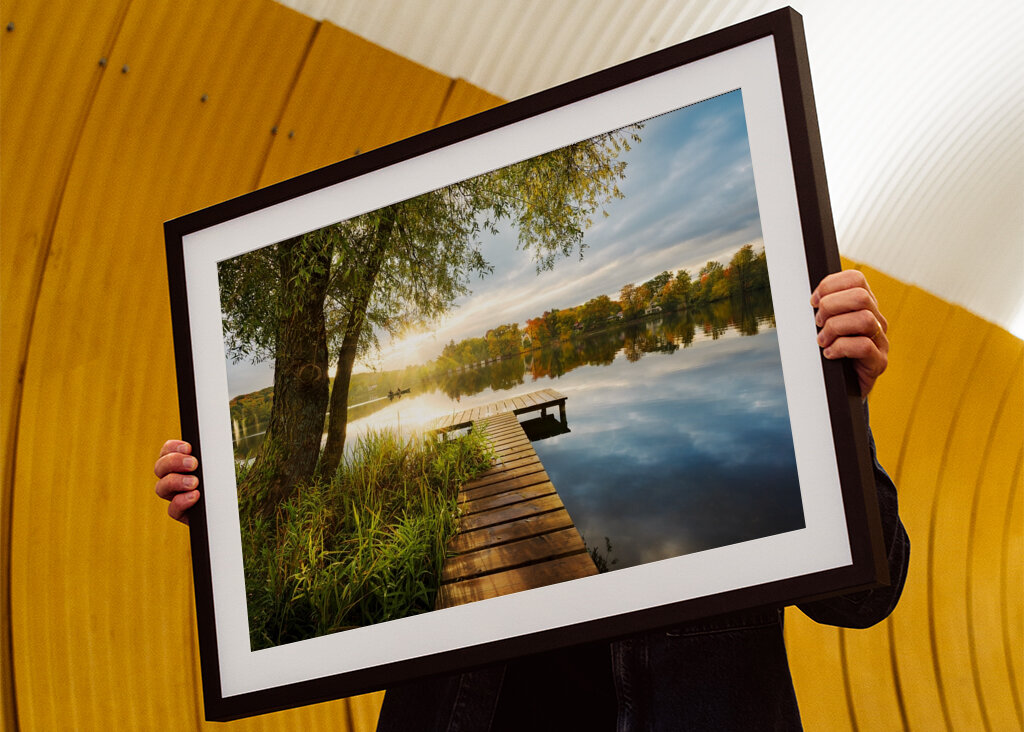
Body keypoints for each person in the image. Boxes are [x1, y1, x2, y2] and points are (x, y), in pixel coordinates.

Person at [154, 270, 908, 730]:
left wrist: (840, 404)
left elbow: (866, 596)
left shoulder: (778, 399)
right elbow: (316, 602)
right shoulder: (431, 520)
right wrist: (240, 520)